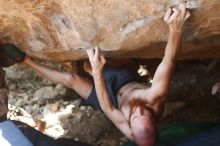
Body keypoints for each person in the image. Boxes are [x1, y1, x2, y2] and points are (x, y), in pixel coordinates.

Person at [2, 2, 190, 146]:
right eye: (144, 114)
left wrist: (97, 72)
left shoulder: (128, 129)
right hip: (124, 80)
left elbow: (107, 107)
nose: (137, 111)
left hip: (107, 97)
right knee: (89, 67)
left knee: (73, 79)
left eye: (134, 117)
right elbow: (169, 61)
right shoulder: (155, 97)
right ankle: (84, 67)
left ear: (131, 129)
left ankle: (24, 61)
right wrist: (176, 28)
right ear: (157, 124)